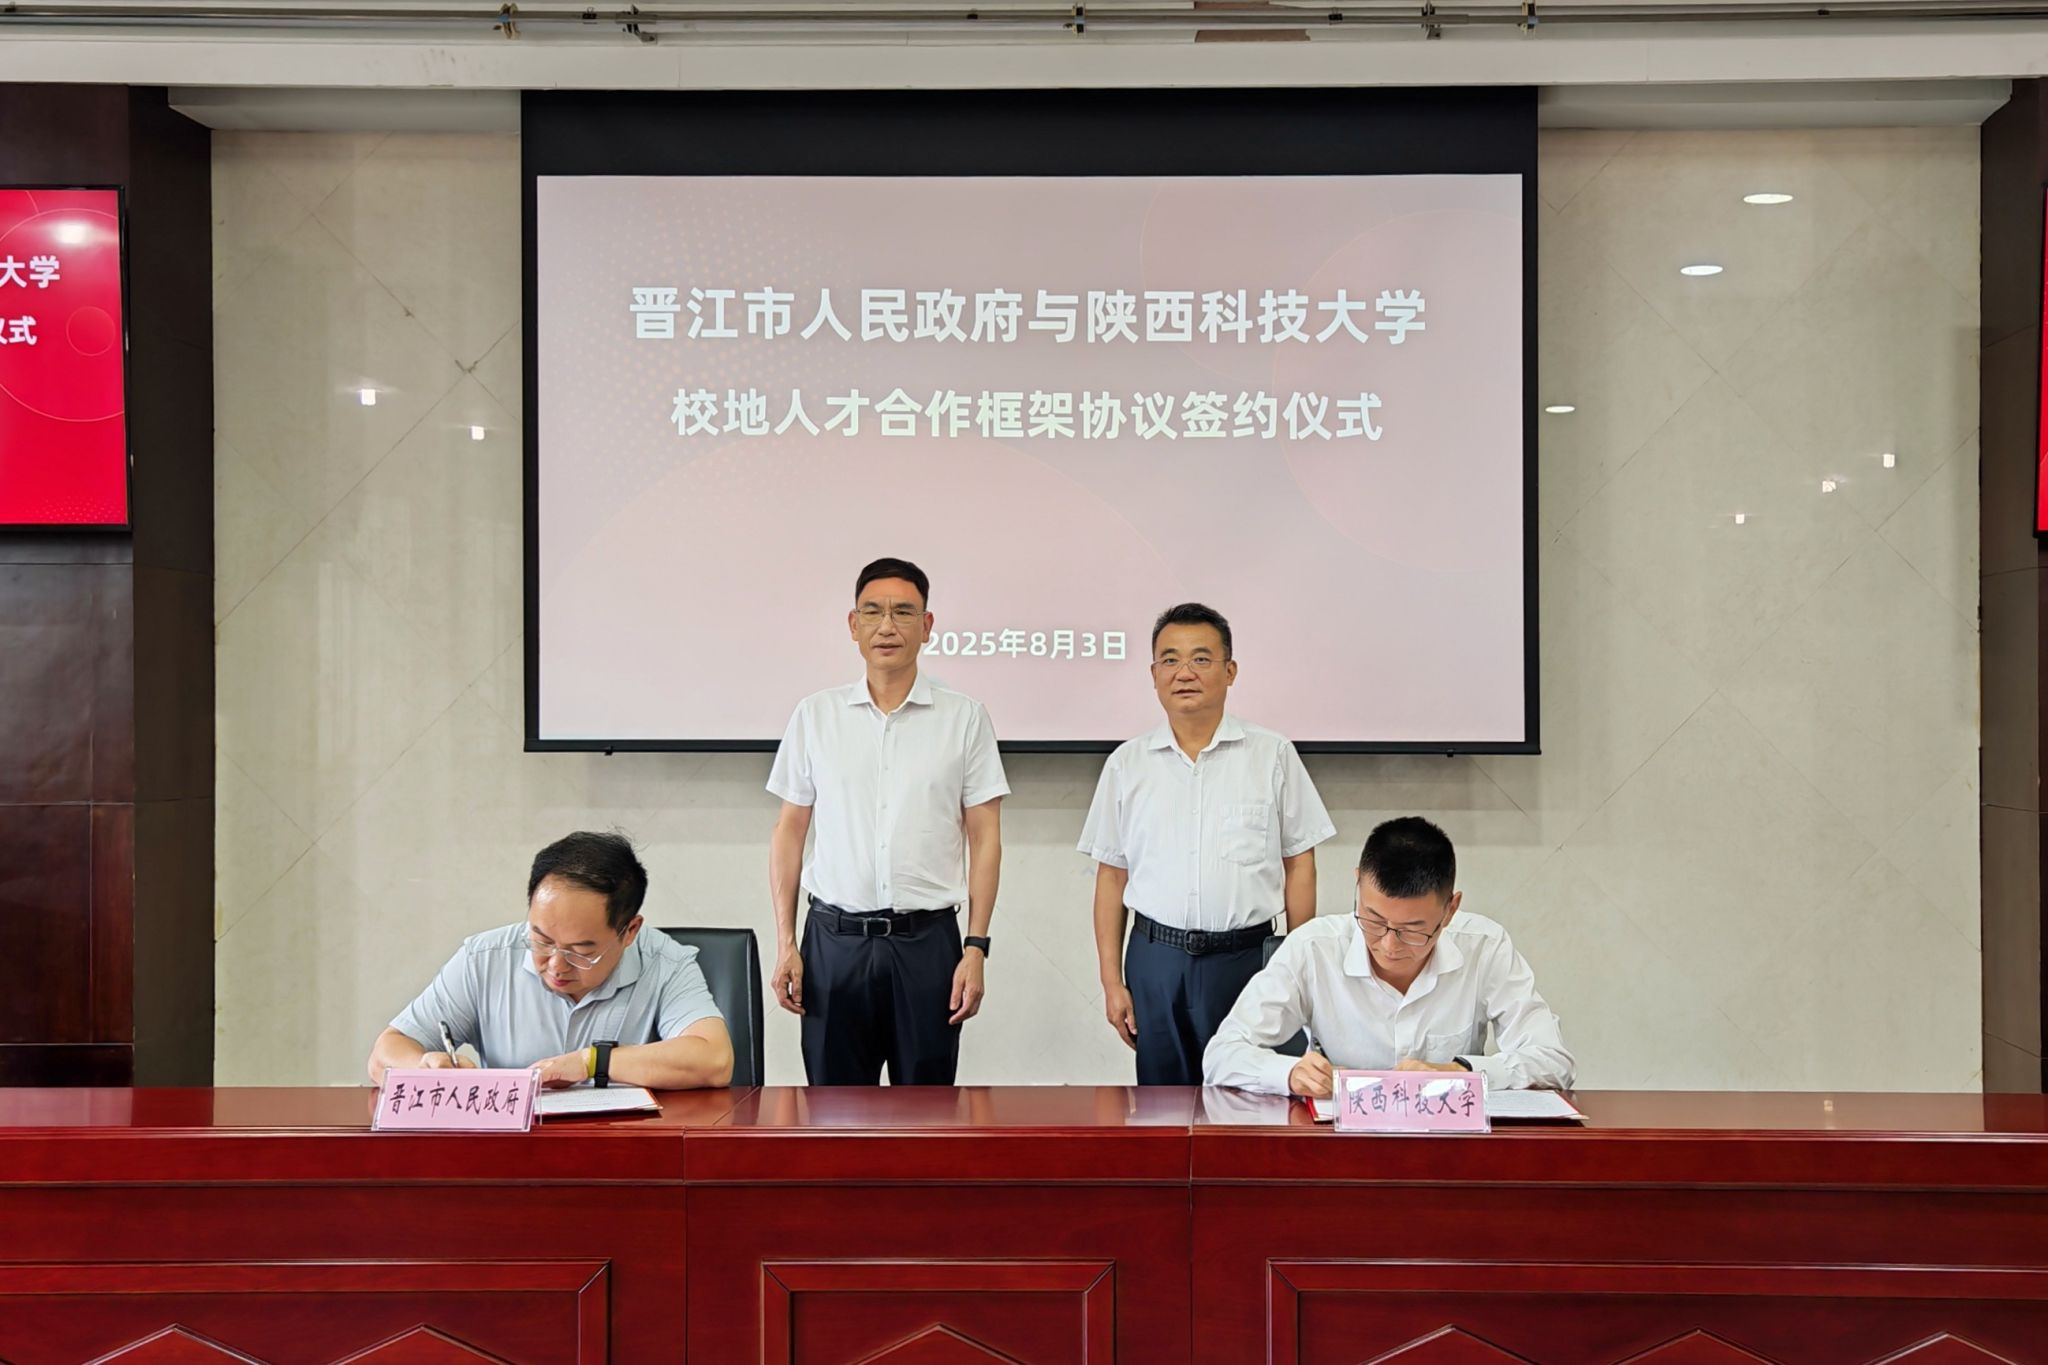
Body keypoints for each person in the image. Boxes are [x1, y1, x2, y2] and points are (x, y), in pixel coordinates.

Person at [767, 557, 1007, 1085]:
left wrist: (976, 946)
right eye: (873, 612)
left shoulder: (964, 717)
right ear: (853, 625)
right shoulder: (816, 715)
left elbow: (985, 837)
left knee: (926, 1112)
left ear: (927, 625)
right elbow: (789, 831)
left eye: (903, 612)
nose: (887, 626)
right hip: (833, 942)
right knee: (833, 1109)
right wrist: (786, 942)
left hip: (927, 944)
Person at [1080, 602, 1335, 1086]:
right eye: (1170, 660)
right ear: (1154, 674)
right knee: (1162, 1106)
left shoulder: (1272, 754)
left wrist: (1297, 966)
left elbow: (1300, 862)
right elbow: (1111, 877)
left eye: (1201, 659)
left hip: (1249, 960)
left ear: (1230, 671)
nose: (1184, 673)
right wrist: (1112, 981)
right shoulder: (1127, 764)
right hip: (1156, 961)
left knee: (1251, 1097)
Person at [1203, 816, 1574, 1096]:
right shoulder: (1314, 948)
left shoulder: (1484, 946)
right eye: (1374, 920)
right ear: (1358, 885)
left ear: (1450, 910)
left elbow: (1554, 1060)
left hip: (1448, 1144)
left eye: (1412, 930)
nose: (1388, 945)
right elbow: (1222, 1054)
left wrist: (1462, 1073)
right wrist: (1288, 1074)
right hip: (1340, 1147)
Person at [367, 831, 734, 1089]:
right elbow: (385, 1053)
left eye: (582, 950)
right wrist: (423, 1066)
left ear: (630, 931)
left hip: (626, 1154)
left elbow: (714, 1060)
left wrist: (591, 1062)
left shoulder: (666, 963)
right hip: (509, 1158)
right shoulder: (484, 959)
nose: (556, 965)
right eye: (542, 940)